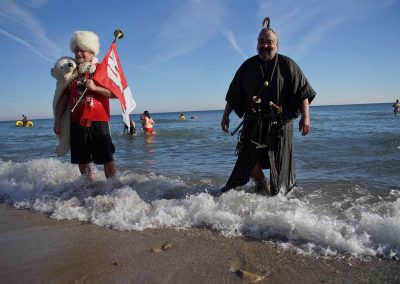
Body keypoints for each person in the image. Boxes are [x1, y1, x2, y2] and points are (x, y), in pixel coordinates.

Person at [220, 17, 316, 196]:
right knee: (247, 159)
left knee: (278, 164)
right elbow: (234, 93)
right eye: (261, 41)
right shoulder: (247, 66)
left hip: (280, 124)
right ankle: (260, 183)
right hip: (253, 123)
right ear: (257, 44)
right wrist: (225, 116)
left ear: (277, 44)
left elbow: (303, 92)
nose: (265, 45)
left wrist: (306, 117)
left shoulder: (288, 65)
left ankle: (277, 198)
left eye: (269, 42)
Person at [54, 30, 117, 180]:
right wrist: (57, 121)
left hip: (99, 121)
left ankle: (114, 189)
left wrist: (95, 88)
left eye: (82, 50)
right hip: (76, 122)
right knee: (82, 159)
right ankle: (90, 188)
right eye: (76, 50)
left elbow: (114, 94)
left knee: (107, 158)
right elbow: (62, 100)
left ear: (91, 52)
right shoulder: (71, 74)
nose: (78, 53)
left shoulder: (101, 69)